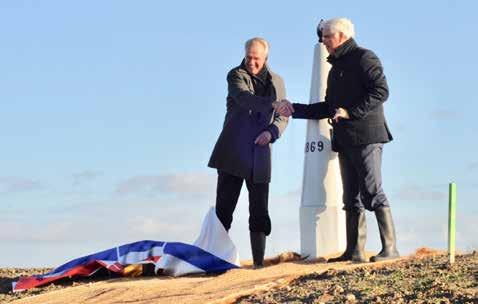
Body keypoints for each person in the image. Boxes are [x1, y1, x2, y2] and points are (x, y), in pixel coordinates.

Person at [277, 18, 399, 263]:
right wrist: (294, 110)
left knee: (372, 192)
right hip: (344, 141)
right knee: (350, 198)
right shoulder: (334, 69)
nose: (323, 41)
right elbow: (328, 107)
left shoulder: (365, 58)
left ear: (341, 36)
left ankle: (390, 249)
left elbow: (381, 90)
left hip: (367, 137)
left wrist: (350, 112)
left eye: (327, 37)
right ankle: (354, 251)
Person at [208, 37, 289, 268]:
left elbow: (283, 117)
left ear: (265, 58)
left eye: (256, 58)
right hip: (233, 152)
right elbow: (245, 99)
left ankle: (258, 263)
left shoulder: (278, 81)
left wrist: (272, 133)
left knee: (259, 210)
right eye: (248, 57)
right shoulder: (235, 75)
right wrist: (273, 105)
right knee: (224, 209)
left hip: (260, 152)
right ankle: (215, 260)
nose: (252, 62)